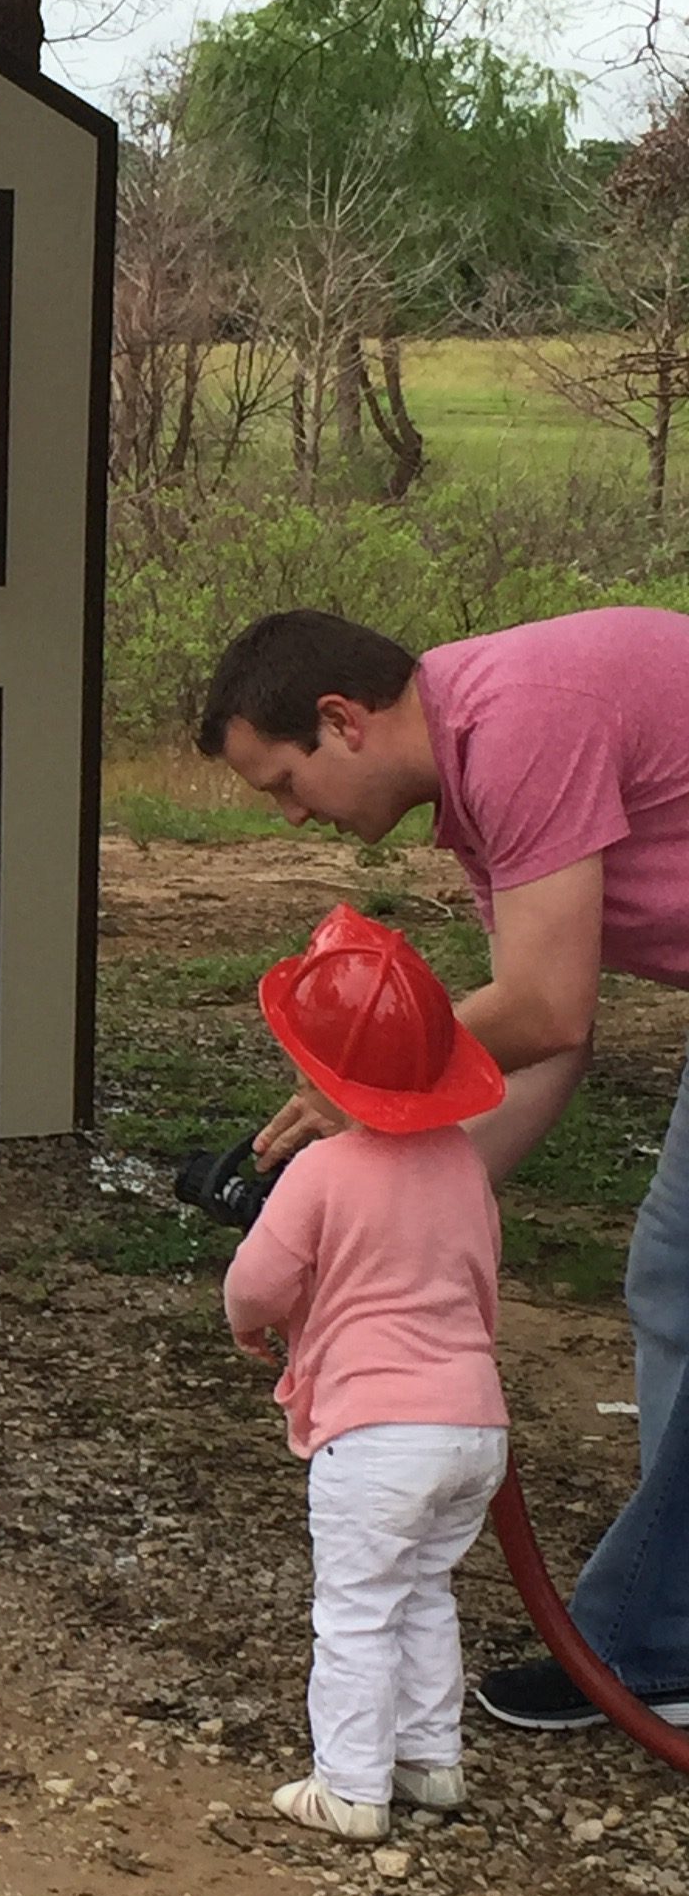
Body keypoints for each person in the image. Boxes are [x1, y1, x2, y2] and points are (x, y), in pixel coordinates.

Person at [197, 603, 689, 1731]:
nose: (290, 816)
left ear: (342, 722)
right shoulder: (473, 780)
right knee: (674, 1280)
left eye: (285, 784)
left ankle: (651, 1645)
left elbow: (541, 1006)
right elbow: (546, 1040)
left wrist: (362, 1091)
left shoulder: (522, 726)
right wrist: (400, 1201)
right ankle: (662, 1643)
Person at [225, 907, 510, 1837]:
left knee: (355, 1607)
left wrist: (250, 1325)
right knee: (424, 1589)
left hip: (376, 1436)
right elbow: (482, 1280)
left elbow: (259, 1281)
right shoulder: (463, 1164)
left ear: (318, 1071)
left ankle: (350, 1786)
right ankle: (431, 1760)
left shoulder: (321, 1171)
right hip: (473, 1428)